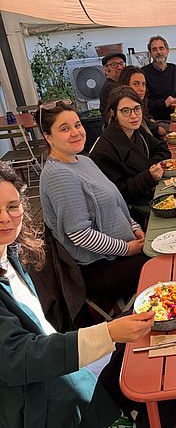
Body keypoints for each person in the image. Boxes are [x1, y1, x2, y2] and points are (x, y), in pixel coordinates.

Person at [0, 162, 176, 428]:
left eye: (12, 206)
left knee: (159, 335)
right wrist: (108, 333)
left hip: (69, 372)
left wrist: (111, 333)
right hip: (48, 402)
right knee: (174, 376)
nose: (5, 217)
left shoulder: (10, 257)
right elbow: (19, 358)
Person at [37, 100, 148, 299]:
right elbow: (80, 235)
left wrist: (135, 228)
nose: (76, 132)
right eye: (64, 129)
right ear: (48, 137)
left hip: (123, 250)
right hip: (98, 267)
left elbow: (116, 205)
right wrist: (127, 249)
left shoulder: (84, 161)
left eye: (77, 125)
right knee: (165, 268)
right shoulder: (58, 175)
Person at [90, 86, 170, 204]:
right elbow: (117, 193)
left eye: (137, 109)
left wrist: (151, 168)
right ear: (113, 113)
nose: (134, 115)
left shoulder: (137, 130)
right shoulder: (104, 151)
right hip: (135, 209)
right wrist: (148, 177)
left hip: (153, 191)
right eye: (125, 111)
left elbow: (163, 149)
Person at [141, 36, 176, 129]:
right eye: (154, 49)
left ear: (167, 51)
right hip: (157, 121)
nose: (159, 52)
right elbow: (143, 103)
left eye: (161, 48)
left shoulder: (174, 69)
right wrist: (164, 103)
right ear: (150, 54)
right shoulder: (143, 73)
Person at [119, 65, 167, 138]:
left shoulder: (141, 105)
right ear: (125, 85)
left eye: (143, 84)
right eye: (136, 84)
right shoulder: (125, 114)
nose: (142, 89)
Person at [99, 52, 127, 121]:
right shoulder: (111, 88)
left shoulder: (122, 84)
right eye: (114, 65)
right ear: (106, 70)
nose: (119, 67)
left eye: (121, 63)